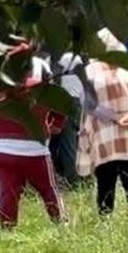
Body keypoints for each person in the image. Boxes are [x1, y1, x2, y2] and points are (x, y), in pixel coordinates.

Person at [0, 45, 66, 228]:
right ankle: (61, 223)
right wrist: (57, 124)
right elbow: (56, 98)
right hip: (34, 144)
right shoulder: (40, 67)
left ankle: (7, 230)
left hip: (1, 146)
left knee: (8, 192)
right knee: (48, 189)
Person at [78, 29, 128, 215]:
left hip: (104, 138)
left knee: (105, 187)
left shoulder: (90, 71)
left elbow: (87, 103)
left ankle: (105, 228)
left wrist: (113, 117)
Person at [50, 44, 85, 184]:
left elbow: (54, 81)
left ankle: (73, 179)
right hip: (79, 102)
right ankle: (83, 175)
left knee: (67, 143)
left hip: (66, 102)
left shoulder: (63, 59)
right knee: (77, 140)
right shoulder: (78, 59)